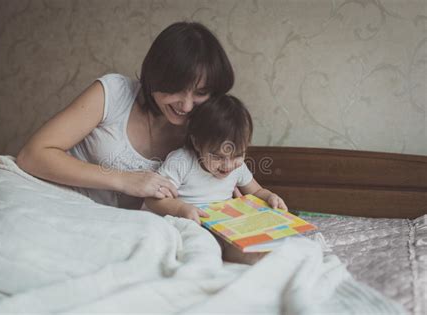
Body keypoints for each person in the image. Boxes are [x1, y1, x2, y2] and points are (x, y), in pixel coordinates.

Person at [16, 21, 234, 210]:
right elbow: (32, 155)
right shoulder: (114, 93)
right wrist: (123, 180)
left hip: (123, 229)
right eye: (176, 89)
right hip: (60, 201)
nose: (186, 106)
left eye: (200, 93)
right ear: (155, 76)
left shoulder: (205, 130)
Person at [144, 94, 288, 264]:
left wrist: (269, 197)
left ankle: (266, 261)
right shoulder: (181, 161)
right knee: (202, 248)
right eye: (218, 157)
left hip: (224, 228)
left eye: (238, 155)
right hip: (186, 225)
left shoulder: (238, 167)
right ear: (197, 143)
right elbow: (152, 199)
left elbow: (256, 191)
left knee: (259, 248)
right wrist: (181, 209)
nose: (228, 165)